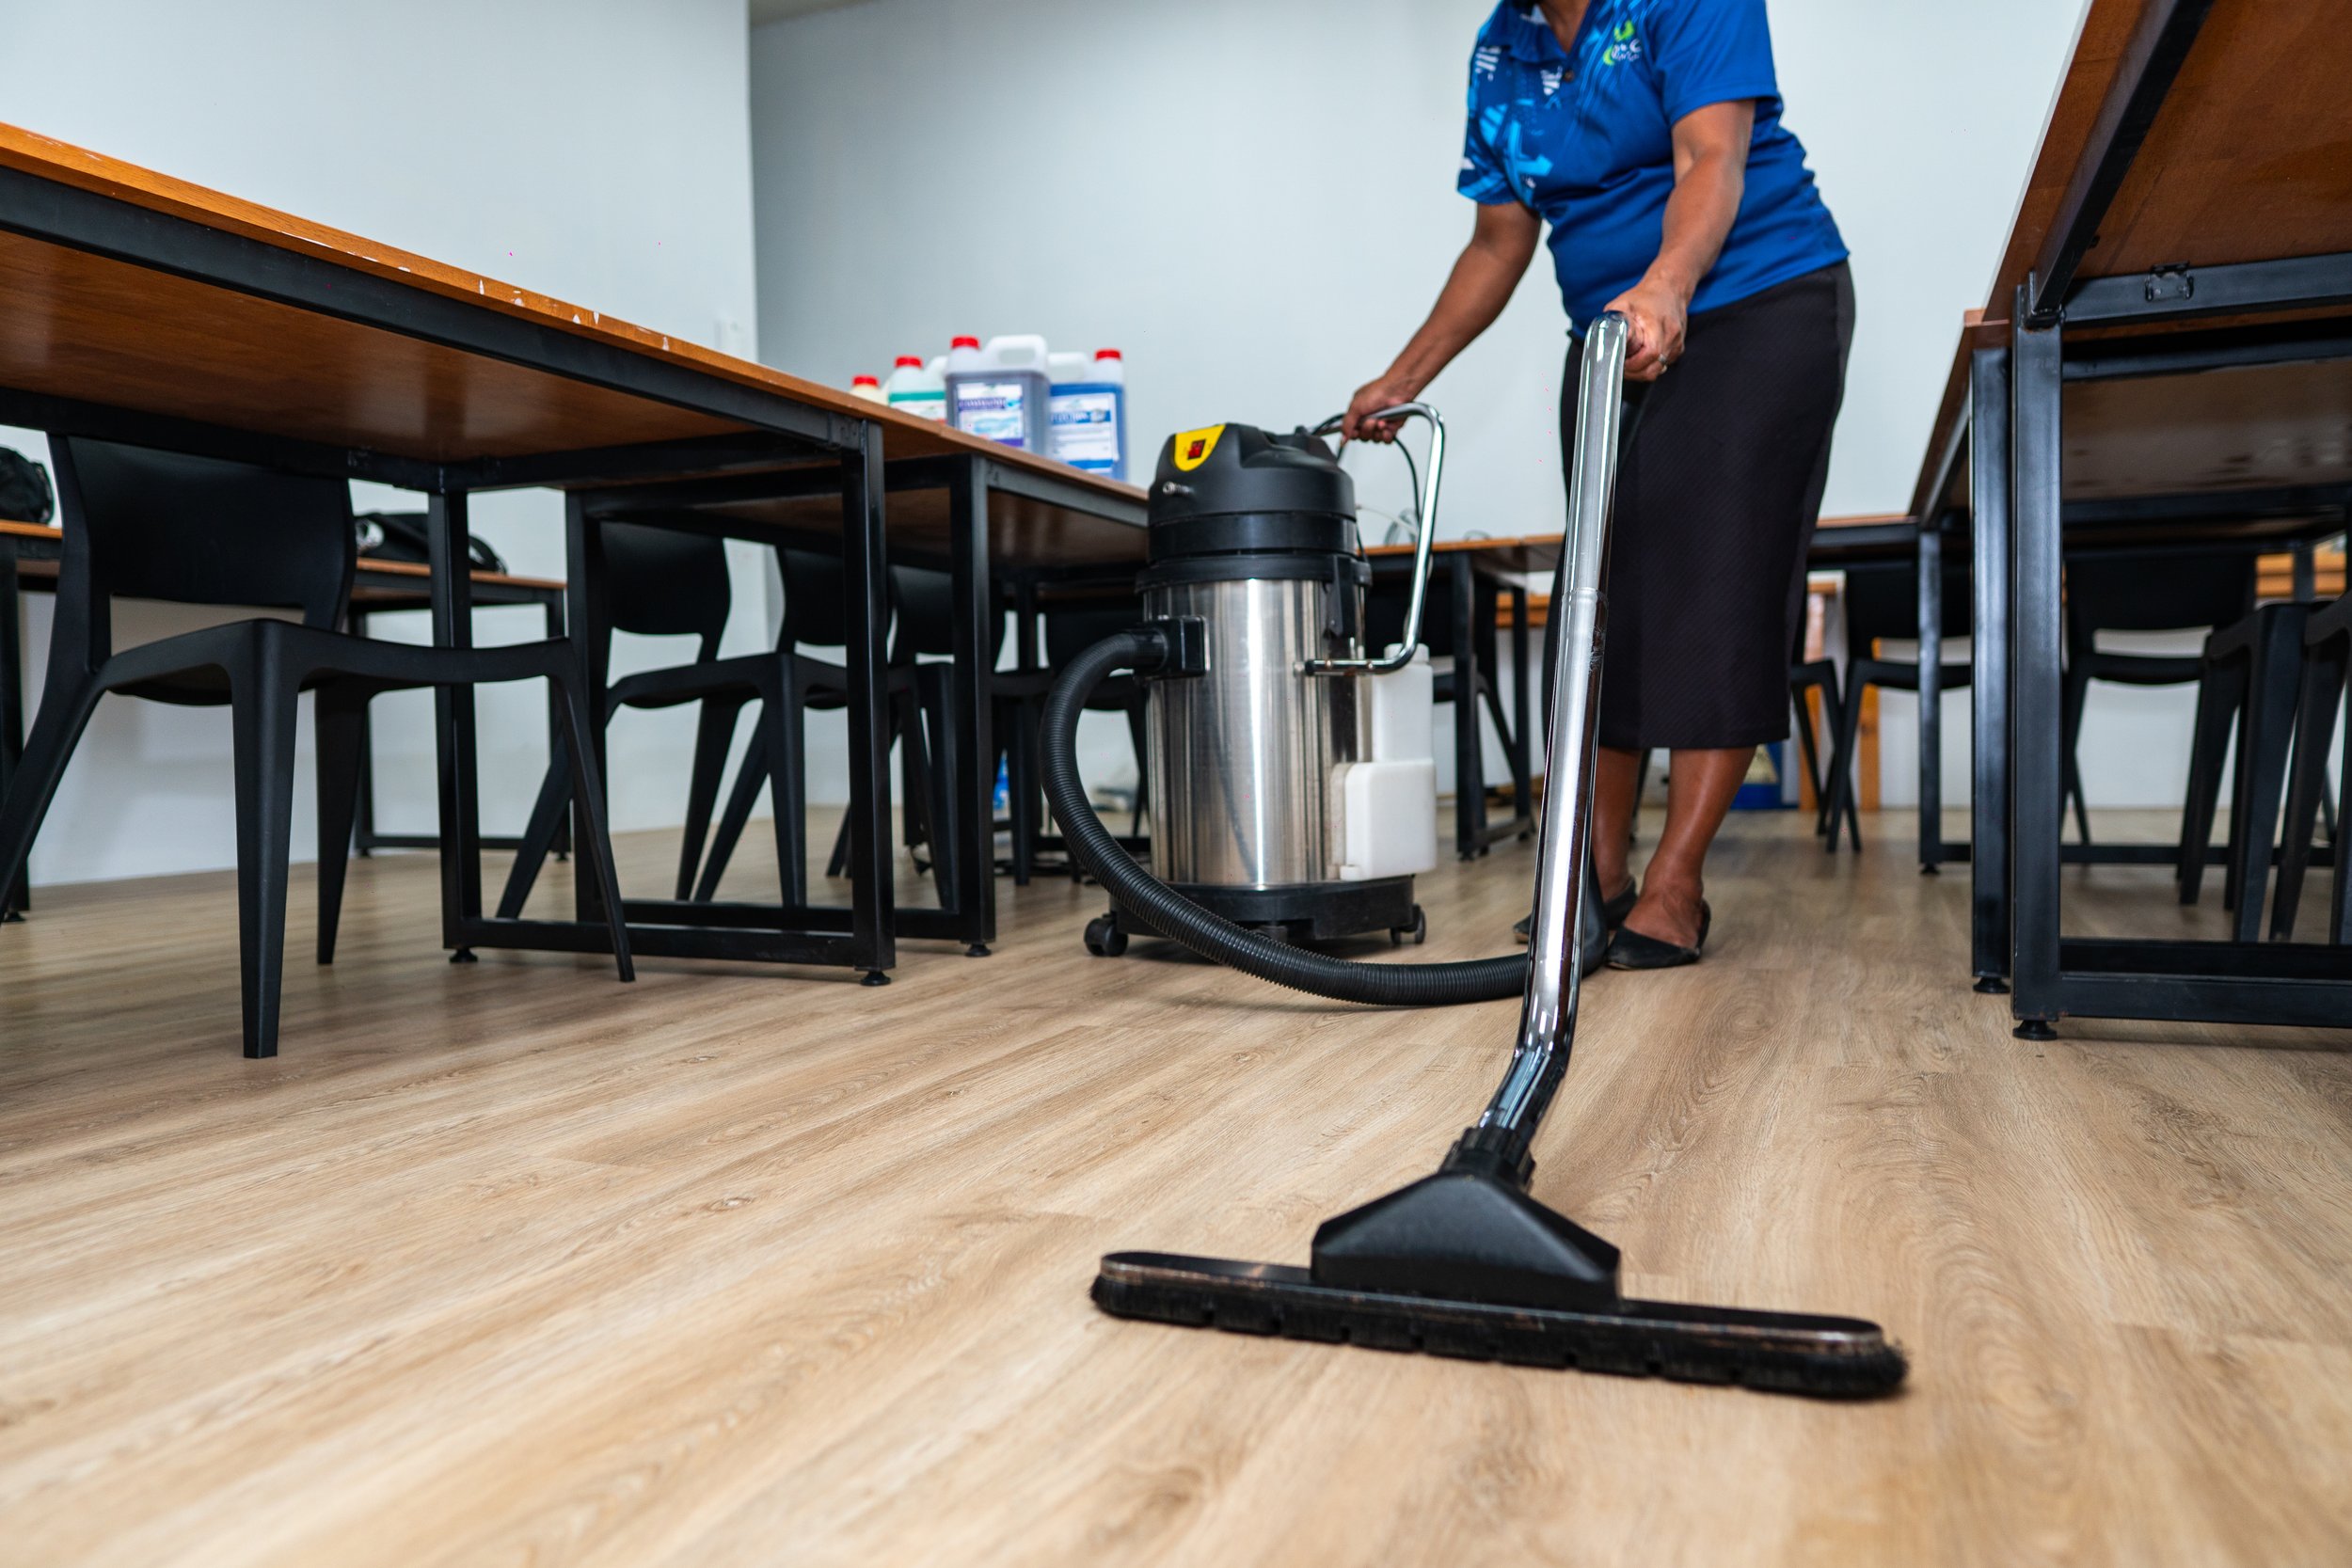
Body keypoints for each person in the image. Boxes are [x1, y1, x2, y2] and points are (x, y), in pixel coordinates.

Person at [1346, 0, 1851, 969]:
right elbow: (1499, 242)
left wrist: (1667, 284)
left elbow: (1712, 157)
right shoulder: (1502, 49)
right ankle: (1594, 873)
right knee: (1599, 591)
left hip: (1757, 298)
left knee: (1718, 584)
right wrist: (1403, 377)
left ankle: (1674, 884)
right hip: (1612, 333)